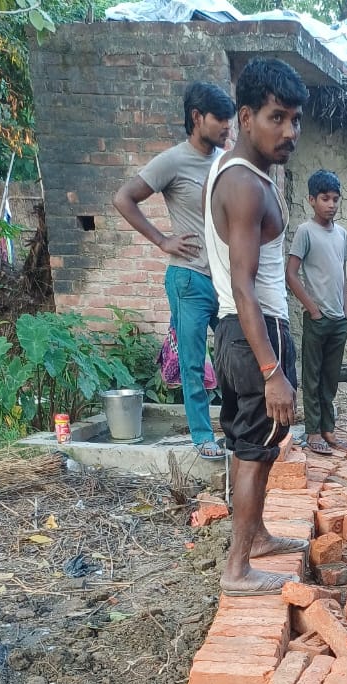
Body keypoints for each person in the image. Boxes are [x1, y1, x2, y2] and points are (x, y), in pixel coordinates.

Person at [204, 58, 310, 596]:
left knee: (260, 441)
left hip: (244, 331)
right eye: (277, 118)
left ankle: (258, 537)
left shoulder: (235, 170)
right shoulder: (245, 185)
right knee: (253, 448)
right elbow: (244, 285)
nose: (289, 131)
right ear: (245, 117)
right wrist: (272, 370)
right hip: (255, 333)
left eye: (295, 119)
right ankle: (238, 568)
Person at [113, 82, 234, 459]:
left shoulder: (226, 162)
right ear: (197, 117)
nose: (227, 126)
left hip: (225, 282)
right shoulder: (173, 161)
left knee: (235, 357)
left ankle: (236, 430)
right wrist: (162, 240)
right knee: (193, 362)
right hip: (189, 279)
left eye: (230, 119)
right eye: (220, 119)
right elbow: (123, 198)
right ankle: (202, 436)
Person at [285, 169, 347, 456]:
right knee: (312, 378)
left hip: (338, 320)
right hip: (318, 319)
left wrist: (346, 310)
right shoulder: (305, 231)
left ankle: (328, 429)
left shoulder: (342, 234)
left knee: (330, 378)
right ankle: (313, 431)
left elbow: (342, 273)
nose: (331, 204)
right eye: (325, 198)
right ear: (312, 200)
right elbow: (291, 274)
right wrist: (313, 309)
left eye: (335, 199)